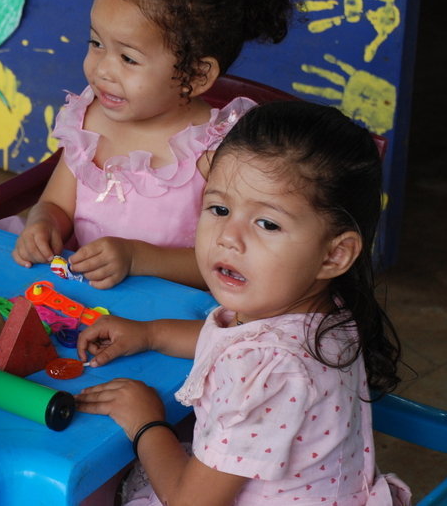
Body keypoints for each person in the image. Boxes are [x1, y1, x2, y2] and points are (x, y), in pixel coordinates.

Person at [74, 101, 410, 506]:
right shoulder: (315, 306)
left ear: (334, 255)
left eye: (267, 223)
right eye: (219, 208)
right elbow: (240, 337)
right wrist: (152, 333)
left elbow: (190, 503)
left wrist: (145, 422)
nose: (228, 237)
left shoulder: (268, 373)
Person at [12, 0, 294, 289]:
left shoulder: (219, 153)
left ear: (196, 75)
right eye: (96, 44)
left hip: (173, 318)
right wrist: (43, 223)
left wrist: (136, 258)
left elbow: (231, 263)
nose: (102, 70)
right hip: (88, 302)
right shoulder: (89, 121)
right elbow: (56, 204)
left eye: (128, 58)